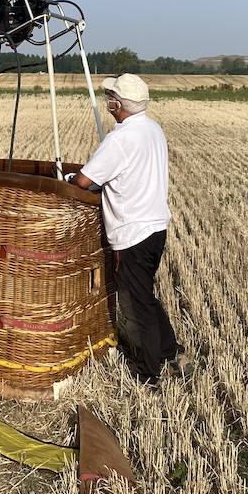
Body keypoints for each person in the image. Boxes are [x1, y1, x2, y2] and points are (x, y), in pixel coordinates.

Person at [66, 74, 183, 384]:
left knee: (135, 300)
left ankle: (148, 372)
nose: (108, 101)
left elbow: (84, 182)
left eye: (110, 96)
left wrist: (69, 179)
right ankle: (170, 349)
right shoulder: (151, 128)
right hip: (155, 227)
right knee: (145, 293)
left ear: (118, 103)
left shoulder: (121, 138)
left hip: (133, 231)